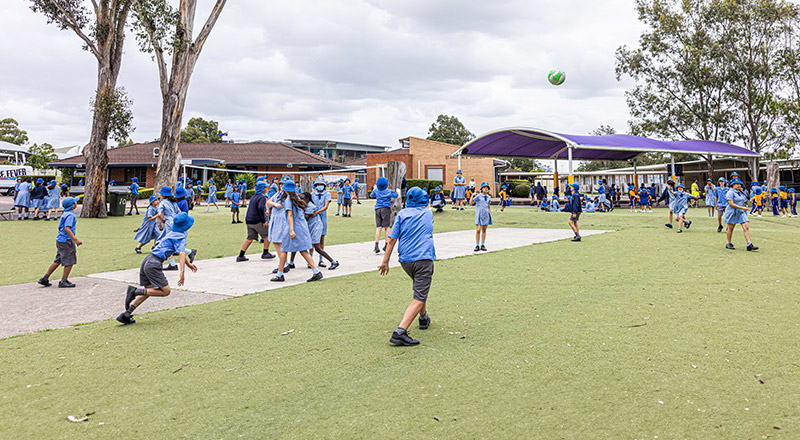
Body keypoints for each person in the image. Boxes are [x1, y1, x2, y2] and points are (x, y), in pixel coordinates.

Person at [117, 212, 198, 325]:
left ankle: (126, 314)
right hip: (154, 264)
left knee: (150, 290)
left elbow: (180, 252)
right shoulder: (181, 237)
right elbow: (181, 254)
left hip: (147, 260)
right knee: (165, 291)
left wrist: (189, 265)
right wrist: (182, 273)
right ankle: (135, 291)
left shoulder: (172, 233)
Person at [379, 187, 435, 346]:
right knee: (419, 296)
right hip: (423, 259)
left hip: (405, 261)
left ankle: (423, 318)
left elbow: (391, 239)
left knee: (420, 289)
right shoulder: (427, 213)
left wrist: (385, 261)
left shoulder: (402, 214)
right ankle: (400, 332)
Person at [269, 179, 323, 282]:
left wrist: (291, 230)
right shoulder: (297, 199)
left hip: (293, 228)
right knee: (302, 250)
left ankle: (280, 274)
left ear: (285, 190)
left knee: (284, 249)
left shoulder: (288, 200)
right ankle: (316, 272)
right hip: (302, 227)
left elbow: (290, 215)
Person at [37, 197, 82, 288]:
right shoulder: (70, 215)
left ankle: (45, 278)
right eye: (74, 202)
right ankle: (64, 280)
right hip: (66, 240)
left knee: (58, 260)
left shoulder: (65, 213)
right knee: (70, 261)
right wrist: (75, 239)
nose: (76, 203)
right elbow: (67, 228)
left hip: (60, 240)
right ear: (72, 205)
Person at [236, 181, 275, 262]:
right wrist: (264, 220)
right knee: (268, 235)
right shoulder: (262, 197)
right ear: (262, 188)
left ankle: (241, 255)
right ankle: (265, 253)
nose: (266, 188)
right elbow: (261, 208)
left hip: (249, 220)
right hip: (257, 221)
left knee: (250, 238)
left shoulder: (253, 197)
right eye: (265, 187)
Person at [301, 192, 339, 269]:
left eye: (303, 198)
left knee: (317, 247)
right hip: (312, 226)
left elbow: (306, 218)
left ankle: (333, 262)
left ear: (308, 199)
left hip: (316, 227)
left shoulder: (310, 206)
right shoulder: (306, 205)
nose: (301, 200)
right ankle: (311, 262)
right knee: (311, 244)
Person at [724, 179, 758, 251]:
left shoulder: (741, 192)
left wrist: (743, 206)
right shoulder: (730, 192)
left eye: (739, 184)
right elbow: (731, 204)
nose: (738, 185)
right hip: (732, 212)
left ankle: (749, 244)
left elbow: (743, 200)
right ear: (732, 185)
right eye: (736, 184)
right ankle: (729, 243)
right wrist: (742, 207)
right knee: (730, 228)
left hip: (741, 212)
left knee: (746, 227)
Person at [371, 177, 399, 253]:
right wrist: (398, 191)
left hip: (377, 209)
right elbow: (397, 196)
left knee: (378, 227)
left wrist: (374, 188)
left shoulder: (376, 191)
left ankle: (376, 245)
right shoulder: (389, 191)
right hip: (386, 209)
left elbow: (372, 195)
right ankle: (386, 244)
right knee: (387, 227)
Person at [310, 178, 331, 267]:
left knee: (321, 238)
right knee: (312, 240)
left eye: (321, 184)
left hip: (322, 217)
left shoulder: (327, 194)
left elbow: (326, 206)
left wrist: (317, 212)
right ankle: (310, 260)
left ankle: (321, 260)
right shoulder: (312, 194)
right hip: (313, 219)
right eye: (318, 185)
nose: (319, 186)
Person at [470, 182, 492, 251]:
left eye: (487, 187)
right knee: (478, 229)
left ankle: (482, 244)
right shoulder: (479, 196)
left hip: (486, 214)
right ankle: (477, 245)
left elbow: (488, 207)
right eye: (484, 187)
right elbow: (471, 203)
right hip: (479, 214)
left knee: (484, 229)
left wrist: (490, 215)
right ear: (481, 189)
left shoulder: (488, 197)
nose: (485, 189)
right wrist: (472, 196)